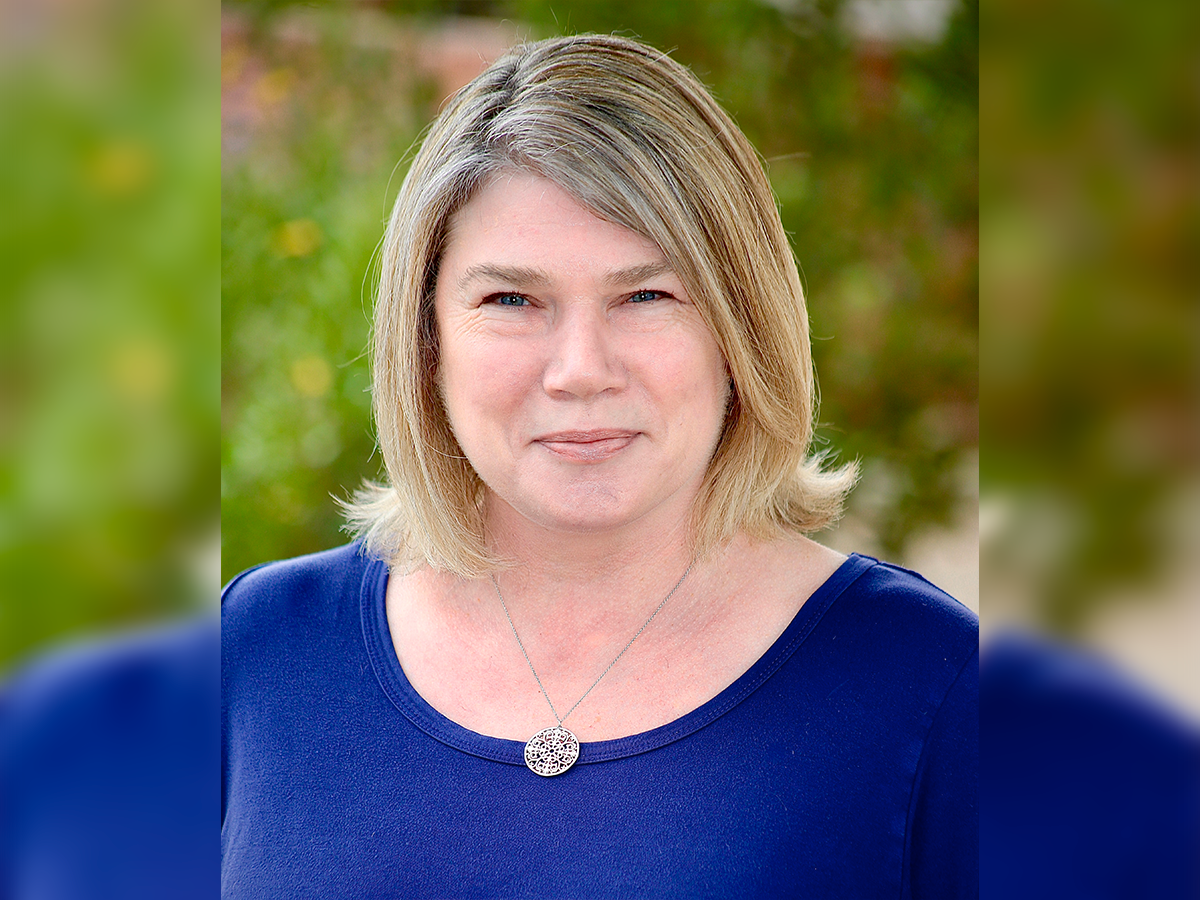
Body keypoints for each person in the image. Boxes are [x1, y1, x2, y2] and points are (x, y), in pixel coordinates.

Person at [222, 33, 977, 898]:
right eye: (511, 299)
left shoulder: (927, 684)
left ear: (741, 330)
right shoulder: (252, 656)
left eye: (645, 296)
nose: (581, 368)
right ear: (426, 338)